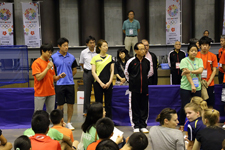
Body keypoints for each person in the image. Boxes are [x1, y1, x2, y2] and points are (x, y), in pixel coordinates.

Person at [31, 43, 66, 114]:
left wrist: (59, 76)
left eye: (51, 53)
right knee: (38, 113)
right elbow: (38, 78)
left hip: (51, 92)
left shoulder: (50, 63)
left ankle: (49, 125)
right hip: (40, 92)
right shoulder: (36, 63)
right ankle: (37, 125)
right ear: (42, 51)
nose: (50, 55)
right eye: (49, 52)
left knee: (51, 113)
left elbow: (53, 78)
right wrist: (47, 68)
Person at [124, 42, 151, 133]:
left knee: (144, 107)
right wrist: (132, 82)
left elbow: (148, 74)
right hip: (134, 89)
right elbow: (126, 74)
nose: (144, 50)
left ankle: (143, 125)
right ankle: (135, 125)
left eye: (144, 48)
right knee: (134, 108)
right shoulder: (130, 61)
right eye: (141, 49)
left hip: (144, 89)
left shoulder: (147, 61)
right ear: (136, 51)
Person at [52, 37, 78, 130]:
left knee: (70, 104)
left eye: (67, 45)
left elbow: (74, 69)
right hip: (59, 84)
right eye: (64, 46)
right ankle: (59, 122)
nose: (66, 47)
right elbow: (52, 71)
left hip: (70, 84)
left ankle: (69, 122)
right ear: (59, 46)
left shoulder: (71, 57)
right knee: (60, 105)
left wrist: (70, 76)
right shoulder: (53, 57)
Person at [179, 44, 203, 125]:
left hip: (198, 87)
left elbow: (200, 71)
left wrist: (190, 71)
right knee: (185, 106)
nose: (194, 52)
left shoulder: (199, 60)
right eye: (192, 50)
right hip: (186, 87)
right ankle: (183, 123)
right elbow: (187, 74)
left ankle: (196, 123)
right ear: (188, 52)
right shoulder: (184, 60)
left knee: (197, 106)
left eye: (195, 51)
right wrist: (192, 85)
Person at [91, 39, 114, 118]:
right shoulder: (95, 58)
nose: (106, 47)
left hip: (108, 83)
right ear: (99, 47)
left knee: (108, 103)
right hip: (98, 83)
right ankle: (98, 119)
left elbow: (112, 71)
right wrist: (100, 83)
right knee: (98, 102)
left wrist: (109, 82)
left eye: (107, 46)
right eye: (104, 46)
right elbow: (93, 72)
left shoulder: (110, 57)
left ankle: (109, 120)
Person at [196, 36, 218, 108]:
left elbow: (214, 70)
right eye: (203, 45)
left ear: (209, 46)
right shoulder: (196, 55)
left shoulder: (213, 56)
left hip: (209, 83)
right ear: (200, 46)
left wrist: (208, 82)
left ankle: (210, 117)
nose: (205, 47)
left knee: (210, 103)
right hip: (198, 83)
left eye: (206, 45)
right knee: (199, 103)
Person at [79, 36, 97, 116]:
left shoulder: (98, 51)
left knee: (97, 92)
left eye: (93, 42)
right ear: (87, 44)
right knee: (87, 92)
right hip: (87, 73)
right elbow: (81, 63)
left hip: (97, 73)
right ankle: (86, 111)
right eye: (91, 43)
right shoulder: (83, 52)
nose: (92, 44)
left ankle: (97, 110)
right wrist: (87, 70)